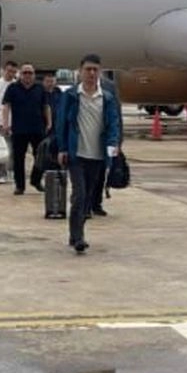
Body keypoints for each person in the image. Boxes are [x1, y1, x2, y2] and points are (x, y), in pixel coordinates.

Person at [54, 54, 122, 254]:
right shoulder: (72, 96)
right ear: (80, 71)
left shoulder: (107, 98)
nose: (91, 73)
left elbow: (113, 124)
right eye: (88, 69)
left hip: (98, 156)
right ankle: (78, 238)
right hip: (77, 155)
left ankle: (75, 232)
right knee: (79, 195)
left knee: (88, 198)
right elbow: (61, 124)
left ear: (99, 72)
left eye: (95, 70)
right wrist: (62, 148)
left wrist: (113, 144)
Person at [1, 63, 51, 194]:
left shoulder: (40, 88)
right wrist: (5, 123)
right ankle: (20, 186)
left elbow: (46, 106)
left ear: (34, 75)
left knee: (41, 156)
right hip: (19, 129)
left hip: (37, 128)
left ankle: (36, 180)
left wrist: (49, 122)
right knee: (18, 158)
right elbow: (6, 106)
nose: (27, 75)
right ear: (20, 74)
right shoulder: (12, 88)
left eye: (30, 73)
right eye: (25, 73)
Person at [87, 70, 126, 217]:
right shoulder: (79, 87)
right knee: (86, 174)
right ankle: (85, 205)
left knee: (101, 173)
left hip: (105, 139)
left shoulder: (109, 87)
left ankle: (96, 204)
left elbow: (117, 113)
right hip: (86, 137)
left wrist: (118, 140)